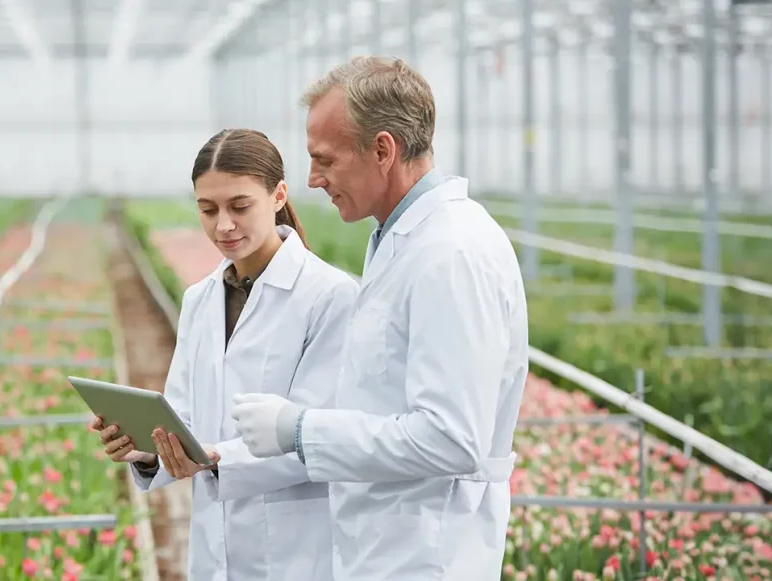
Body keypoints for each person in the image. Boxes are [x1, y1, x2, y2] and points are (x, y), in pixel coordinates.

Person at [230, 56, 529, 580]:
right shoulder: (398, 239)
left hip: (426, 555)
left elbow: (451, 438)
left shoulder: (451, 252)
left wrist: (301, 429)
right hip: (384, 548)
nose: (313, 178)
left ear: (383, 150)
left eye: (325, 160)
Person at [89, 128, 359, 581]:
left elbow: (321, 435)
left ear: (278, 196)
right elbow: (185, 415)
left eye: (239, 206)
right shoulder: (201, 299)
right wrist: (147, 450)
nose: (223, 226)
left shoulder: (329, 296)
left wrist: (217, 460)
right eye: (207, 209)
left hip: (299, 552)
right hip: (215, 548)